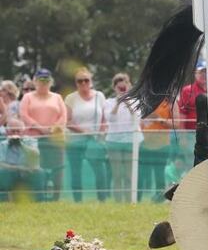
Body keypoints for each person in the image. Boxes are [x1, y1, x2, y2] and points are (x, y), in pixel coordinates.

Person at [18, 69, 66, 199]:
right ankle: (39, 196)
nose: (43, 82)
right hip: (34, 139)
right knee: (37, 168)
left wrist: (53, 128)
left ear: (51, 82)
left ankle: (56, 198)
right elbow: (24, 114)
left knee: (57, 168)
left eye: (46, 80)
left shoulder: (57, 97)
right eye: (40, 79)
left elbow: (63, 116)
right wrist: (39, 128)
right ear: (35, 81)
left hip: (55, 139)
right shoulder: (28, 97)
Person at [65, 67, 109, 202]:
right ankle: (78, 200)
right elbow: (67, 121)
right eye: (80, 81)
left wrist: (101, 133)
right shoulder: (71, 98)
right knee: (76, 172)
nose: (83, 83)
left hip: (95, 141)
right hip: (75, 141)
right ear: (76, 83)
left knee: (100, 171)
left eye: (86, 80)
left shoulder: (99, 96)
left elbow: (104, 118)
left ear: (91, 81)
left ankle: (102, 200)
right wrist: (84, 131)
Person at [105, 73, 141, 203]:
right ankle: (118, 201)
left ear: (129, 86)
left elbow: (137, 118)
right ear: (114, 88)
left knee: (128, 174)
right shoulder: (109, 102)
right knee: (117, 174)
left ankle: (129, 200)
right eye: (118, 85)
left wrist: (128, 104)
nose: (122, 87)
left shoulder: (136, 101)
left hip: (130, 140)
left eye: (124, 84)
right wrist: (118, 103)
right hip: (113, 141)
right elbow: (110, 119)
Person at [0, 118, 45, 201]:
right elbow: (1, 164)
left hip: (28, 170)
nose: (15, 134)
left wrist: (21, 145)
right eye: (13, 131)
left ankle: (40, 202)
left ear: (23, 132)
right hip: (11, 171)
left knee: (39, 172)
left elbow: (35, 154)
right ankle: (3, 202)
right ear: (7, 132)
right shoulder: (2, 145)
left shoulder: (31, 141)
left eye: (18, 131)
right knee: (2, 173)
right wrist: (18, 168)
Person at [140, 98, 175, 201]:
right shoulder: (146, 101)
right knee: (144, 174)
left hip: (162, 145)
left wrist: (158, 119)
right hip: (145, 145)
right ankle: (138, 198)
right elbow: (140, 122)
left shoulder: (170, 103)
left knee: (159, 173)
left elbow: (177, 124)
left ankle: (159, 198)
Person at [178, 60, 208, 130]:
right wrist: (182, 134)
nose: (204, 75)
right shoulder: (187, 90)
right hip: (191, 132)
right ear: (195, 74)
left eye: (206, 72)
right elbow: (182, 113)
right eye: (201, 72)